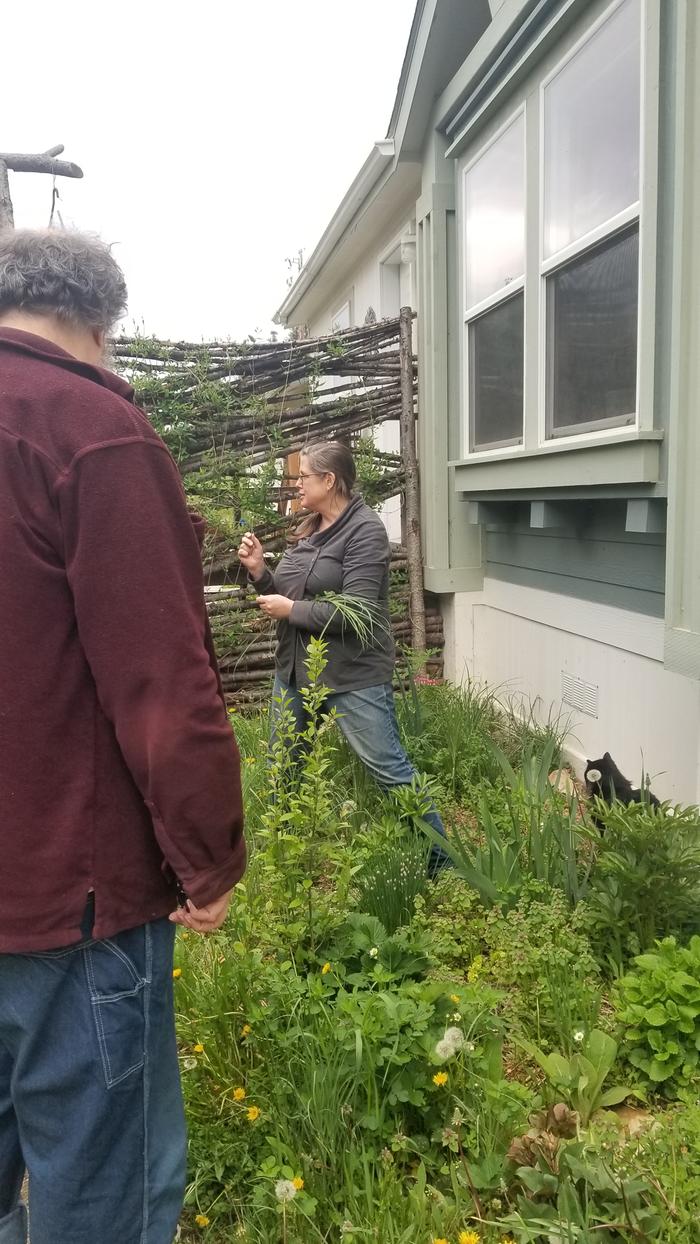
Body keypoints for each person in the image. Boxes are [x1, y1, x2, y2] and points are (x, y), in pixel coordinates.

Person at [0, 229, 246, 1244]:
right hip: (69, 895)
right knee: (98, 1192)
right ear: (101, 322)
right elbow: (159, 678)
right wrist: (209, 856)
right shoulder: (88, 429)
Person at [237, 439, 449, 864]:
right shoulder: (309, 530)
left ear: (329, 480)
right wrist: (261, 573)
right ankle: (286, 859)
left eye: (304, 477)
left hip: (353, 675)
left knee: (389, 769)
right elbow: (288, 597)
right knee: (285, 768)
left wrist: (292, 609)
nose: (296, 485)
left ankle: (441, 861)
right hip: (296, 672)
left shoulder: (365, 531)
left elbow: (361, 612)